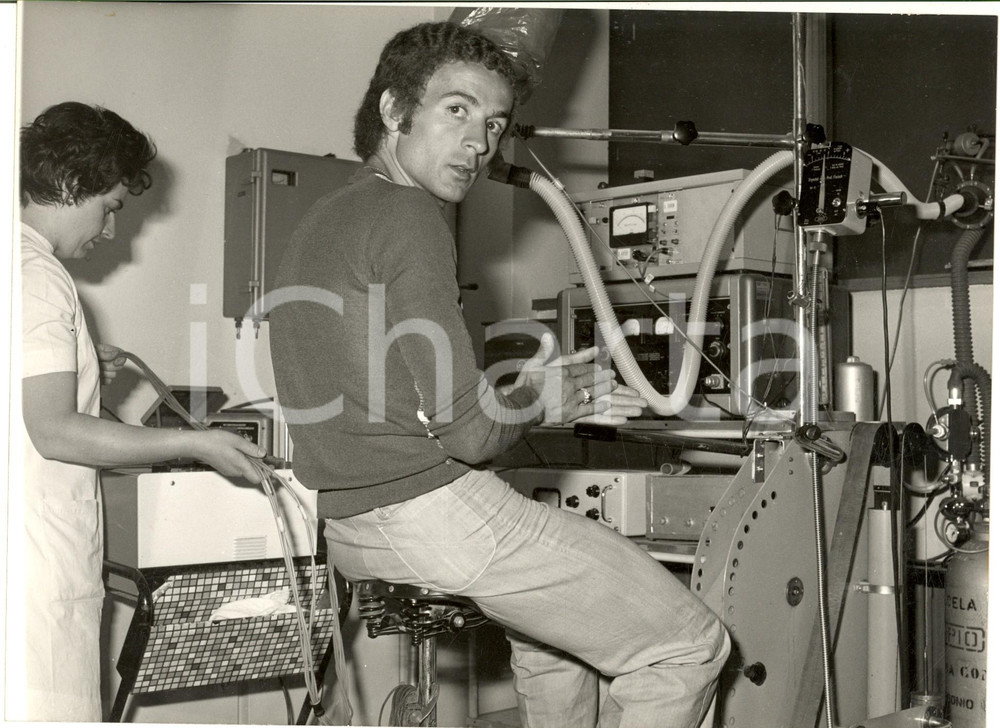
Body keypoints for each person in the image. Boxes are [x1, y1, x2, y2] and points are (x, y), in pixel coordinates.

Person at [269, 22, 730, 728]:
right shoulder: (412, 217)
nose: (480, 144)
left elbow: (403, 398)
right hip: (431, 516)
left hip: (352, 527)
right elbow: (474, 436)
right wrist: (544, 397)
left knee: (558, 641)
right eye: (457, 111)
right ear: (395, 112)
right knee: (689, 645)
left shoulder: (325, 218)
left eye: (493, 124)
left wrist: (529, 394)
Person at [17, 101, 268, 722]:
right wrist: (197, 444)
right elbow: (52, 430)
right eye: (109, 208)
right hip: (32, 579)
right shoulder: (36, 275)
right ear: (75, 185)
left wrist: (78, 372)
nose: (108, 231)